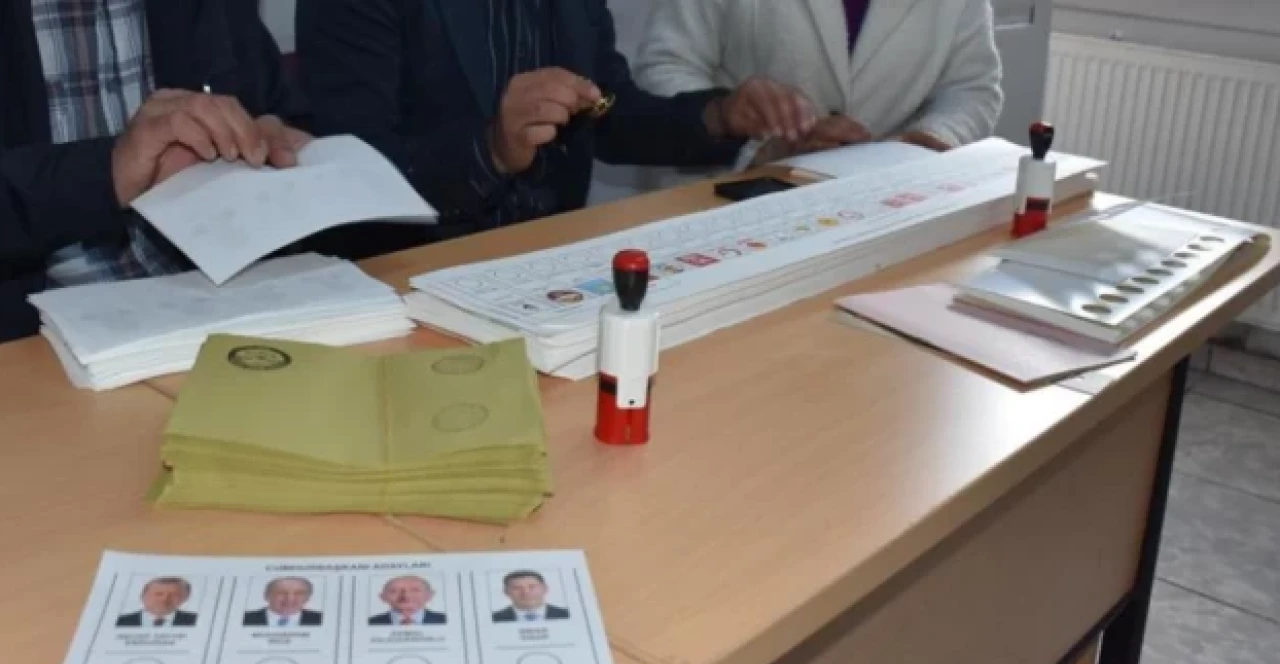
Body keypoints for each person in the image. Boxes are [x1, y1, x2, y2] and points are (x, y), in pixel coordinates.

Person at [296, 0, 816, 241]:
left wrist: (718, 116)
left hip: (547, 261)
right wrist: (492, 149)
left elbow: (607, 112)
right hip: (413, 275)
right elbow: (354, 171)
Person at [0, 0, 311, 343]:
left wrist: (265, 136)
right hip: (33, 335)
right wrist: (108, 172)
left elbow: (271, 102)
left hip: (219, 301)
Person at [633, 0, 1004, 164]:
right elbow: (665, 68)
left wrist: (918, 145)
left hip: (885, 212)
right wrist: (755, 149)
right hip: (731, 207)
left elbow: (971, 88)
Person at [117, 577, 197, 627]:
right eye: (159, 594)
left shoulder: (195, 621)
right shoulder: (120, 621)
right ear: (142, 596)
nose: (164, 599)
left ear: (185, 599)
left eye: (173, 595)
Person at [492, 571, 569, 622]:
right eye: (517, 588)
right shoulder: (495, 618)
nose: (526, 593)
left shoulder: (566, 615)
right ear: (506, 592)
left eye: (532, 587)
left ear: (545, 588)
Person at [243, 577, 322, 627]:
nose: (290, 598)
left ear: (307, 598)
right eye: (281, 593)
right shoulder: (246, 618)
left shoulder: (320, 619)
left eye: (298, 593)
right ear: (266, 595)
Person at [369, 576, 447, 626]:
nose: (406, 596)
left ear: (430, 595)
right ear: (382, 597)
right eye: (395, 591)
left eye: (415, 590)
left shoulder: (444, 620)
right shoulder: (371, 622)